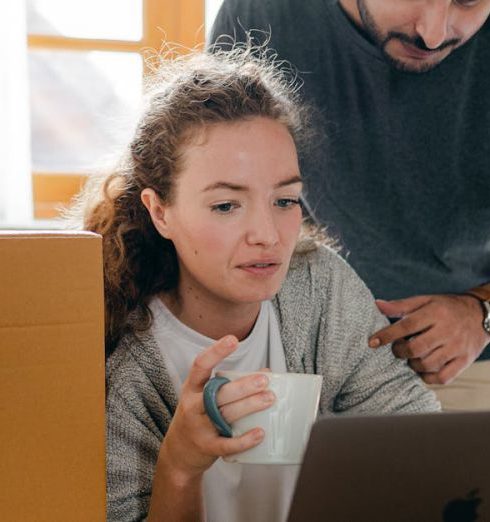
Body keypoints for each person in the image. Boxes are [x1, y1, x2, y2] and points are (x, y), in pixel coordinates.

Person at [70, 48, 438, 521]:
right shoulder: (117, 353)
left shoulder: (319, 287)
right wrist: (180, 464)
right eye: (226, 205)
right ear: (160, 211)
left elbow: (414, 431)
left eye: (285, 200)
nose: (267, 235)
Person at [209, 0, 490, 397]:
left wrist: (480, 312)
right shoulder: (261, 12)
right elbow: (219, 194)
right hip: (296, 354)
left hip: (470, 360)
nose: (433, 33)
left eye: (467, 1)